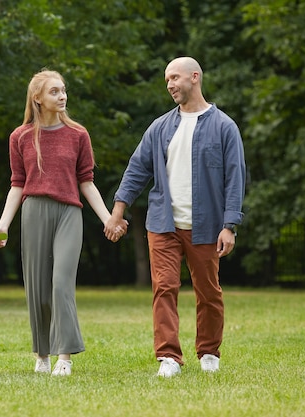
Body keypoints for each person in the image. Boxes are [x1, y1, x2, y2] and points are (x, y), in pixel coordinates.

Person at [105, 57, 246, 377]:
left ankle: (209, 351)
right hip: (163, 224)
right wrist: (118, 211)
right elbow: (137, 169)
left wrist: (229, 225)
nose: (169, 84)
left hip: (208, 226)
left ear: (194, 77)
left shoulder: (224, 126)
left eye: (174, 78)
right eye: (166, 79)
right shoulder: (160, 126)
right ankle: (168, 357)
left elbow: (235, 178)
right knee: (164, 287)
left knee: (208, 291)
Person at [0, 69, 129, 376]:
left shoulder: (78, 135)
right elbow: (17, 184)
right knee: (38, 288)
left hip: (69, 213)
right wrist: (3, 225)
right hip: (34, 211)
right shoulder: (20, 137)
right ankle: (42, 354)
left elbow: (87, 182)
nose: (62, 96)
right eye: (54, 91)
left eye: (63, 90)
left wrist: (109, 219)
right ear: (37, 98)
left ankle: (63, 357)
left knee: (61, 284)